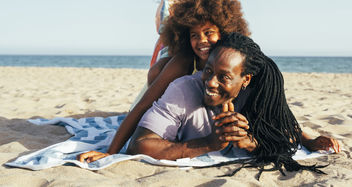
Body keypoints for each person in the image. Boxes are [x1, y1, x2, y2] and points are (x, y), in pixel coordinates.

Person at [126, 33, 340, 177]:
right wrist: (209, 143)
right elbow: (139, 144)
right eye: (208, 70)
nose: (210, 82)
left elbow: (282, 127)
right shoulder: (182, 90)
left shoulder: (257, 93)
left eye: (224, 77)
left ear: (245, 79)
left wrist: (250, 143)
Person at [78, 0, 250, 163]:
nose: (202, 41)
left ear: (224, 31)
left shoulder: (236, 63)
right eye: (194, 35)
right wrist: (111, 152)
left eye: (209, 32)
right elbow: (144, 105)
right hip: (161, 117)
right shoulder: (184, 62)